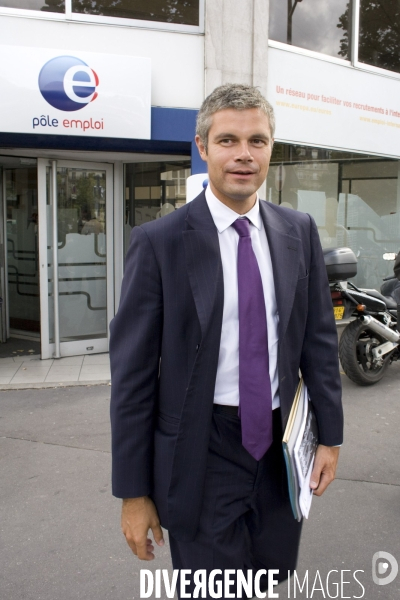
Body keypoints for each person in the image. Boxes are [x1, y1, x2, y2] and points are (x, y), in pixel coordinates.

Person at [109, 84, 343, 598]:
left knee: (269, 577)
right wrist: (133, 493)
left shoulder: (297, 230)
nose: (243, 154)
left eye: (257, 140)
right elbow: (132, 379)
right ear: (202, 146)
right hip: (202, 448)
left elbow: (319, 343)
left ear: (270, 148)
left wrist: (330, 436)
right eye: (228, 140)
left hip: (281, 448)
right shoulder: (159, 243)